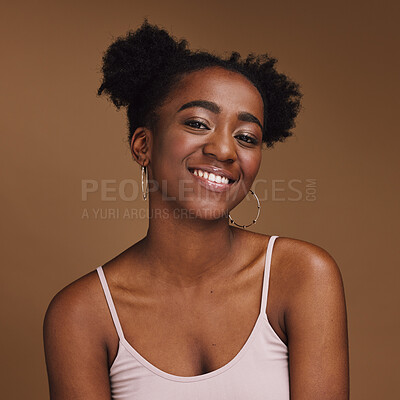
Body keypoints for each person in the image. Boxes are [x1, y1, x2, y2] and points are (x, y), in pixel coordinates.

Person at [43, 20, 349, 400]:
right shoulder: (82, 314)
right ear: (143, 145)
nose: (224, 150)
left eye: (246, 137)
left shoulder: (302, 276)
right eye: (198, 123)